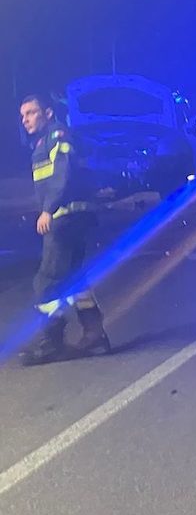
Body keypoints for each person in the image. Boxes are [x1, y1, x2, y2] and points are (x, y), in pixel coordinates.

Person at [17, 93, 110, 365]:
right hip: (74, 216)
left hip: (65, 217)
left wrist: (48, 209)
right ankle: (95, 336)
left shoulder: (57, 136)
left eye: (31, 113)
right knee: (74, 279)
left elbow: (63, 173)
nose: (25, 120)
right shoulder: (43, 142)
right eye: (23, 115)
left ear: (47, 113)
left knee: (47, 281)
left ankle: (51, 344)